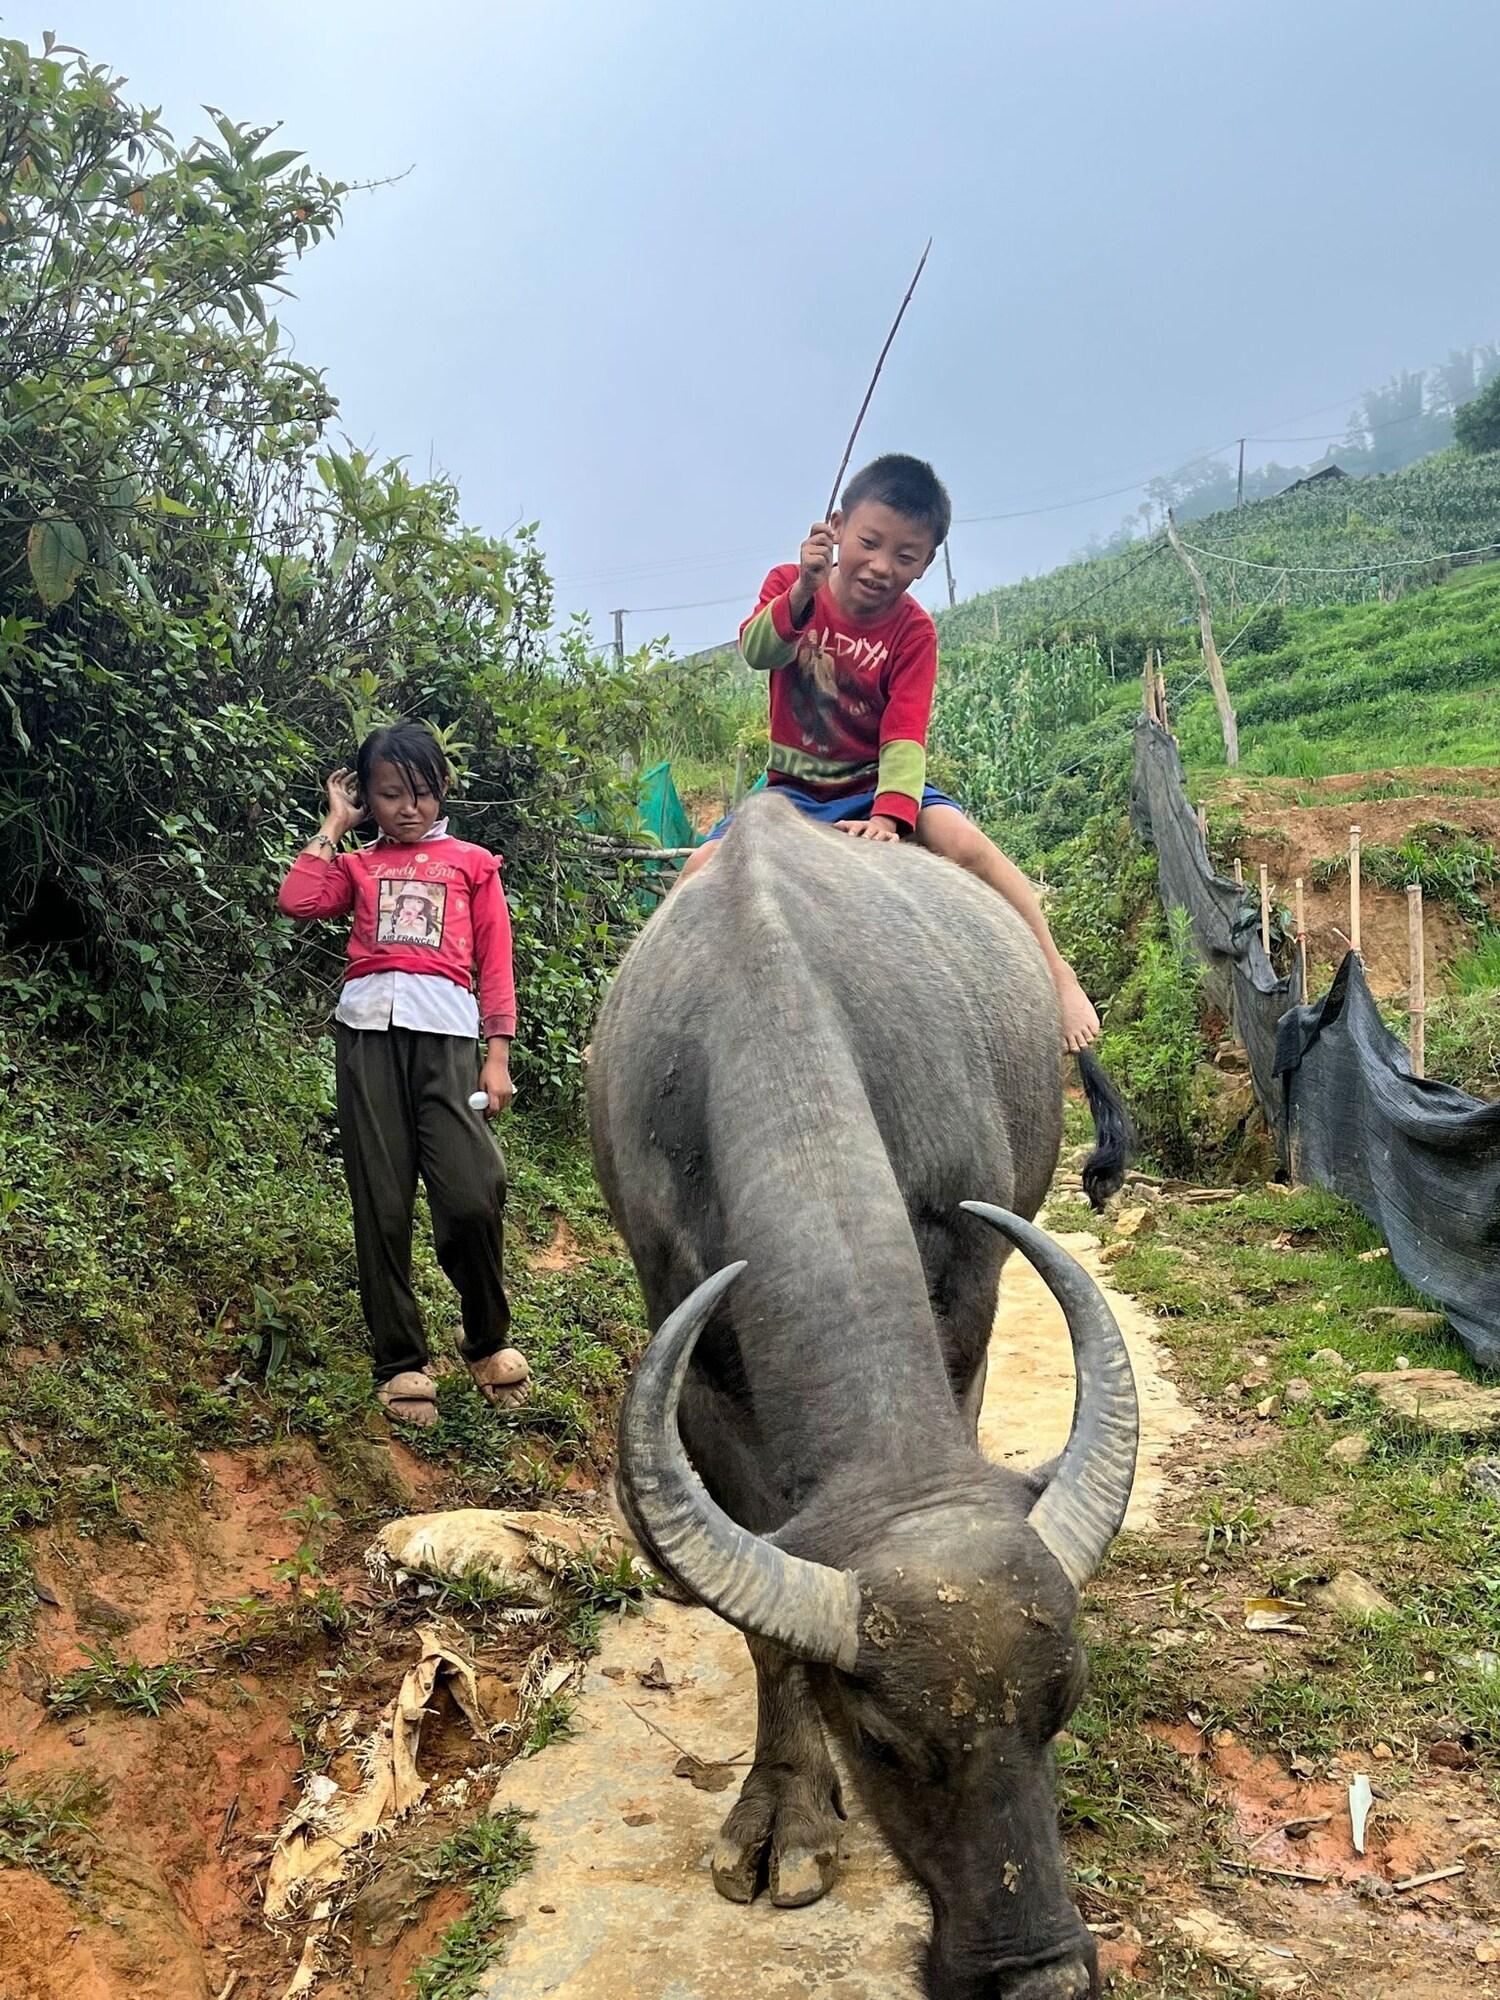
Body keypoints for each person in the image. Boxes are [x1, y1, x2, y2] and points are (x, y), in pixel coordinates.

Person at [680, 454, 1099, 1051]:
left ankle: (1059, 974)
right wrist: (803, 588)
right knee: (699, 870)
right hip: (790, 790)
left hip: (873, 783)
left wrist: (889, 815)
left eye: (905, 556)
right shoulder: (788, 585)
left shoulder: (913, 631)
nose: (880, 566)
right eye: (869, 543)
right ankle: (650, 1015)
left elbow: (905, 732)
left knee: (965, 845)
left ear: (927, 563)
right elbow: (759, 652)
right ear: (837, 527)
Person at [277, 720, 530, 1428]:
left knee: (475, 1192)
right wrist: (334, 824)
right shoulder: (356, 866)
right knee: (380, 1204)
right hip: (366, 1042)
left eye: (420, 793)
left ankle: (483, 1340)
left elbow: (497, 962)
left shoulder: (473, 863)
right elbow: (297, 900)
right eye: (389, 795)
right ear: (371, 799)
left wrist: (498, 1053)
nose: (407, 808)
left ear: (442, 790)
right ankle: (401, 1361)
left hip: (447, 1041)